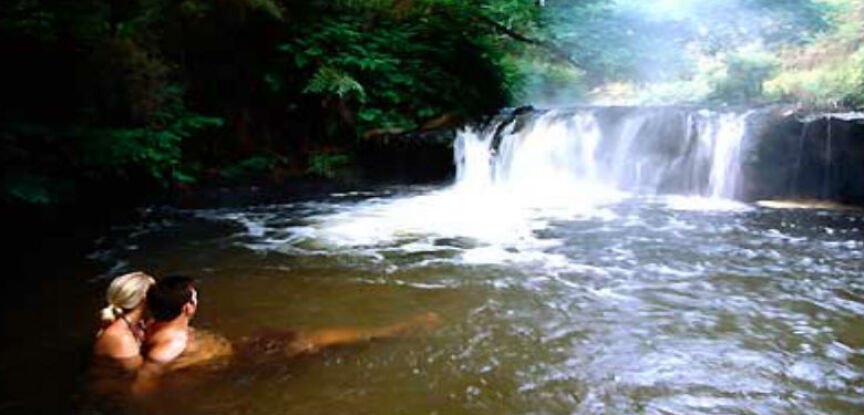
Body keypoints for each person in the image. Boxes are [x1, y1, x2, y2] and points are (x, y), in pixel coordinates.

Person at [132, 276, 441, 396]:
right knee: (312, 341)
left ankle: (386, 333)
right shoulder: (168, 345)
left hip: (235, 350)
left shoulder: (150, 325)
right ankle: (393, 332)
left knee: (301, 338)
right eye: (196, 298)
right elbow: (145, 383)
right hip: (239, 361)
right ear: (188, 307)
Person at [93, 272, 156, 372]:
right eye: (155, 295)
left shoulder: (136, 325)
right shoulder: (121, 339)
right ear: (144, 299)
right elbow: (136, 378)